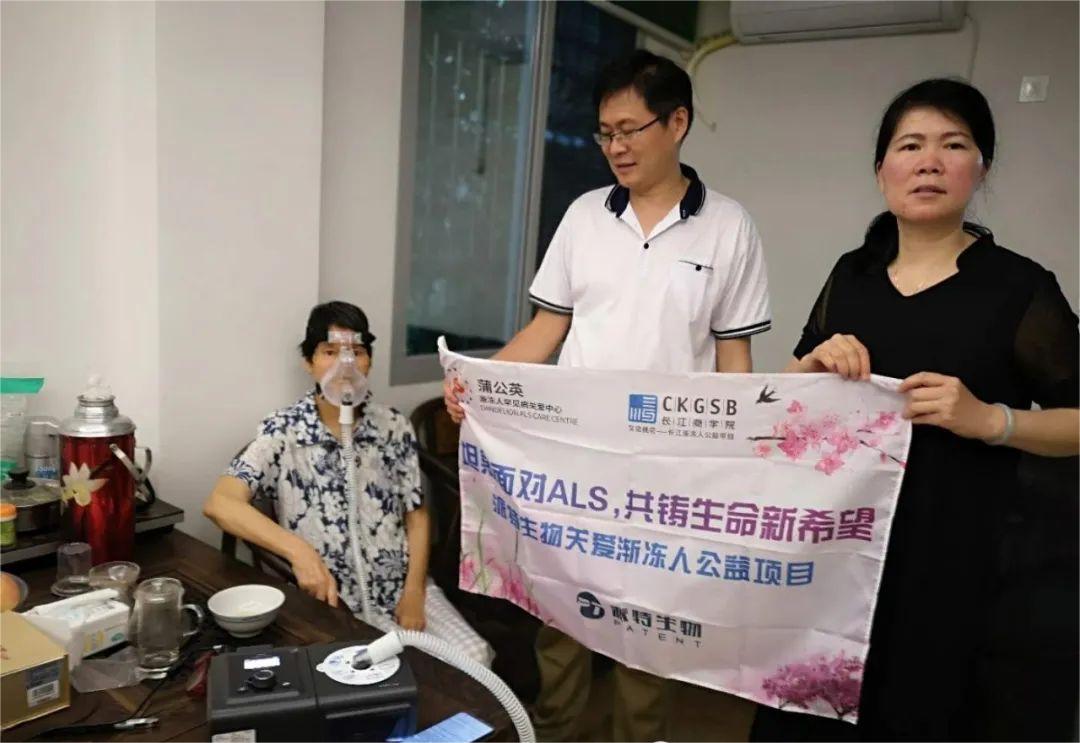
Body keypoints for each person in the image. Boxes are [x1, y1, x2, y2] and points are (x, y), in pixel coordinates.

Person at [445, 50, 772, 741]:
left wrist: (738, 461)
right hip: (577, 467)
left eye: (630, 129)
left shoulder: (729, 226)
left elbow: (733, 359)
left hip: (666, 472)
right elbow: (547, 327)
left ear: (677, 122)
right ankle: (552, 731)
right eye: (605, 133)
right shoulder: (584, 216)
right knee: (561, 622)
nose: (616, 147)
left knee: (647, 635)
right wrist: (479, 386)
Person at [752, 78, 1079, 741]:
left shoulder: (1019, 287)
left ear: (980, 168)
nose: (929, 161)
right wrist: (810, 368)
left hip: (956, 567)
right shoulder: (851, 276)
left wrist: (993, 420)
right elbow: (780, 408)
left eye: (952, 145)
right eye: (910, 146)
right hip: (837, 561)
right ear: (882, 171)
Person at [205, 301, 493, 666]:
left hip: (402, 587)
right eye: (330, 352)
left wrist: (414, 591)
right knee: (397, 675)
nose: (345, 365)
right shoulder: (284, 431)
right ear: (308, 361)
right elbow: (221, 503)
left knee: (475, 657)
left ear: (369, 361)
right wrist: (299, 552)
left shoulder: (392, 426)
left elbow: (417, 515)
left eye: (356, 352)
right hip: (334, 602)